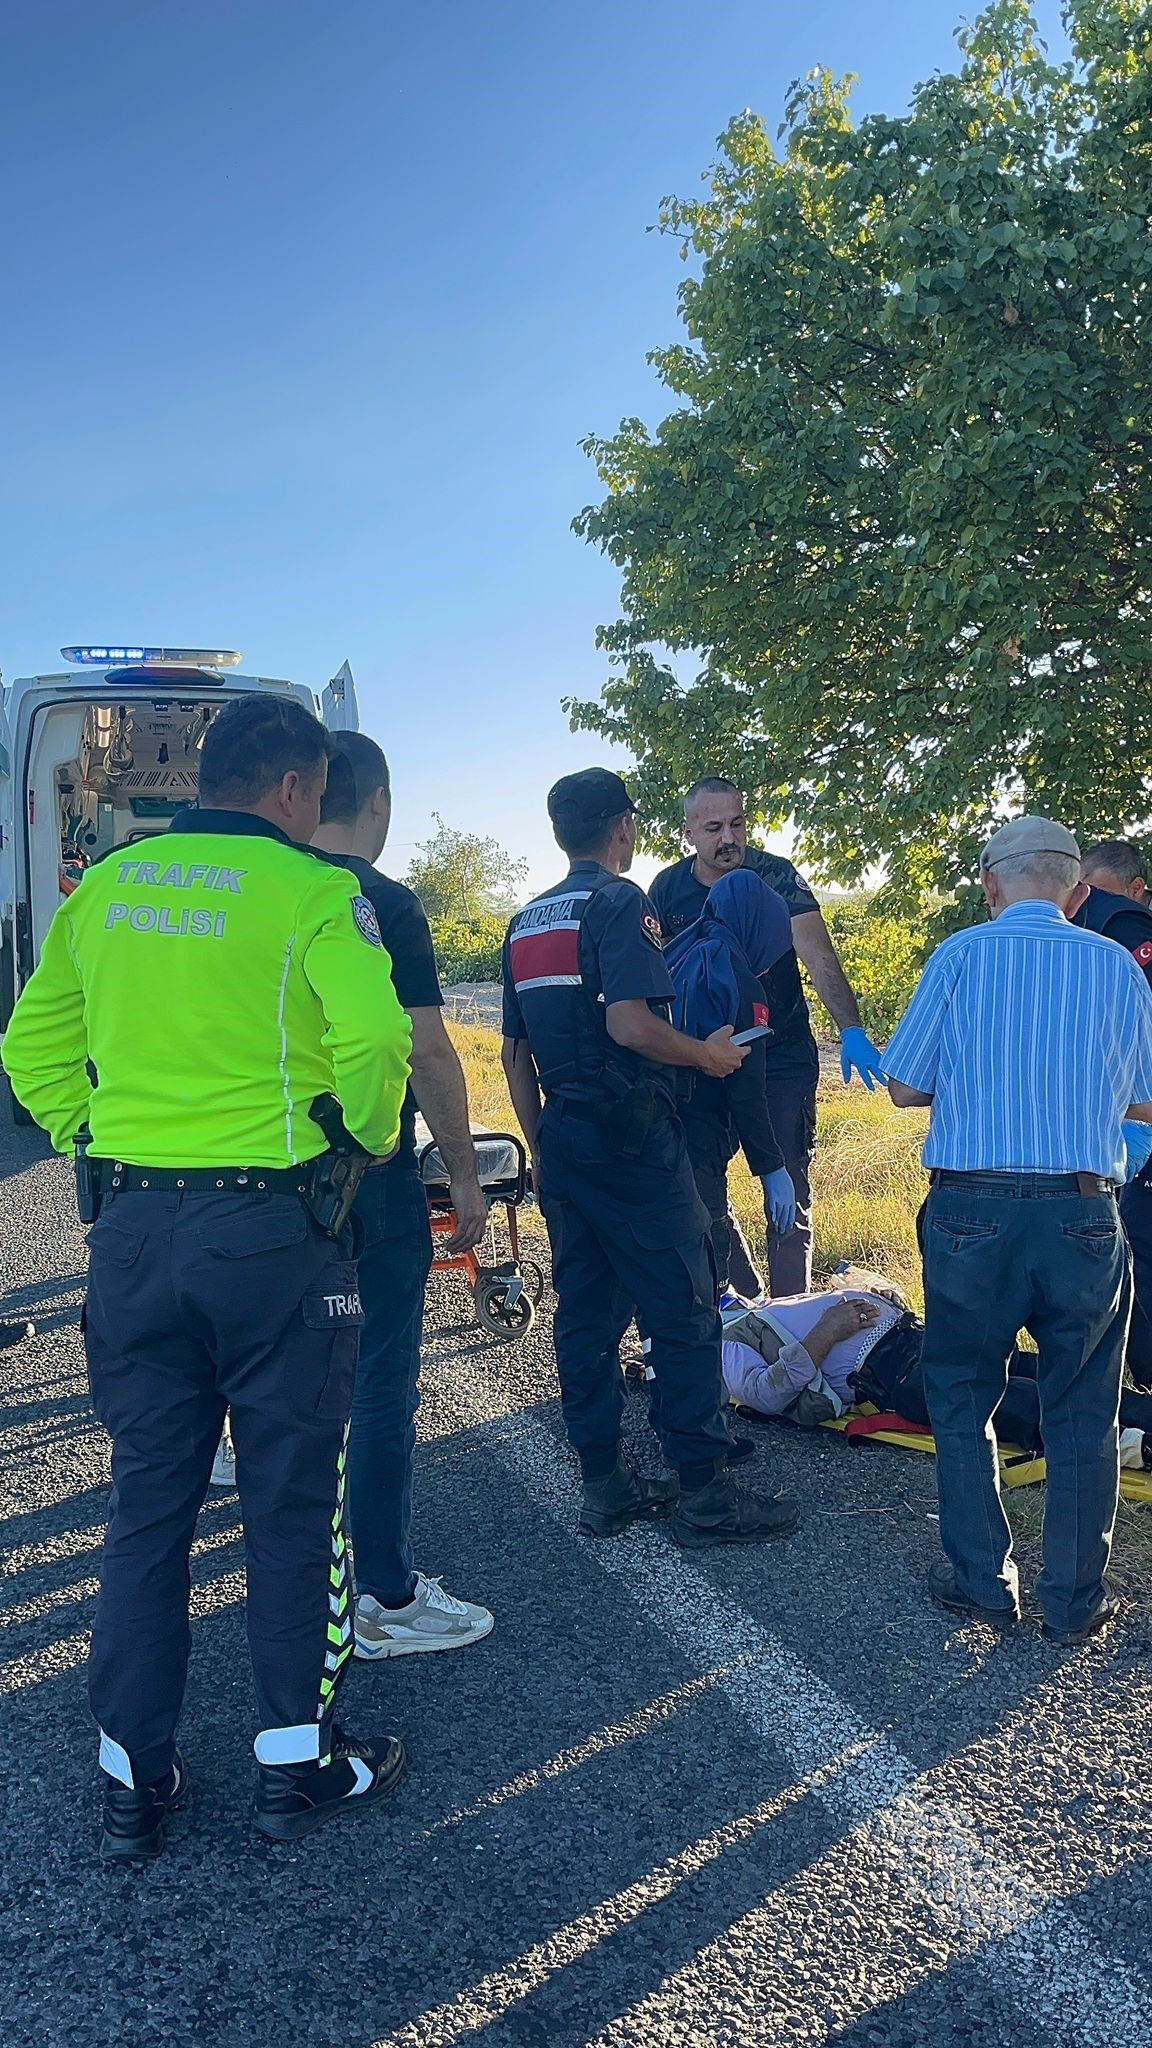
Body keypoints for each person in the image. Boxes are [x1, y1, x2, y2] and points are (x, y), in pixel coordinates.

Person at [1, 697, 414, 1860]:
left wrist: (92, 1138)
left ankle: (134, 1775)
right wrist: (365, 1136)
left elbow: (28, 1046)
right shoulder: (315, 893)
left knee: (149, 1503)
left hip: (133, 1231)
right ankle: (298, 1761)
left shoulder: (107, 893)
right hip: (273, 1236)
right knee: (287, 1502)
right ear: (294, 788)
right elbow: (379, 1043)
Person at [500, 766, 800, 1549]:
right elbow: (632, 1025)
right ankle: (705, 1495)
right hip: (633, 1139)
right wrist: (704, 1056)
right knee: (684, 1308)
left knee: (586, 1316)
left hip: (563, 1138)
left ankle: (605, 1486)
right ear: (625, 828)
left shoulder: (528, 920)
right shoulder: (620, 902)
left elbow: (514, 1055)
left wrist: (542, 1145)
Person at [883, 815, 1152, 1646]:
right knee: (1083, 1405)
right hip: (1082, 1210)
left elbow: (903, 1085)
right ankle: (1073, 1600)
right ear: (1077, 891)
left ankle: (983, 1583)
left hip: (971, 1209)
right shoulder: (1117, 966)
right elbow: (1143, 1098)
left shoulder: (961, 954)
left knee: (961, 1394)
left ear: (990, 884)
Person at [313, 732, 494, 1659]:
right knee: (382, 1380)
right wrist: (462, 1171)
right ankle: (382, 1591)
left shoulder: (268, 892)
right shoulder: (378, 900)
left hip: (249, 1183)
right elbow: (423, 1049)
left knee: (285, 1378)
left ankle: (301, 1580)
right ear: (377, 803)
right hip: (370, 1179)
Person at [649, 777, 885, 1296]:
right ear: (688, 831)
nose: (728, 838)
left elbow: (819, 957)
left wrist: (851, 1030)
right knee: (702, 1185)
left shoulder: (775, 876)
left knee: (785, 1185)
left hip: (778, 1054)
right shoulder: (667, 890)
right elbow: (657, 975)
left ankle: (792, 1323)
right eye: (713, 828)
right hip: (702, 1059)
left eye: (736, 823)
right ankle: (748, 1306)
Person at [723, 1283, 1152, 1469]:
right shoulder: (722, 1346)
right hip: (899, 1373)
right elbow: (767, 1395)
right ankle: (1138, 1447)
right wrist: (828, 1330)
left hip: (920, 1341)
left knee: (1049, 1372)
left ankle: (1143, 1412)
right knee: (1021, 1399)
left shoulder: (746, 1310)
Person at [663, 868, 797, 1284]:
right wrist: (773, 1169)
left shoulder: (678, 954)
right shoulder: (737, 979)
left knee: (663, 1275)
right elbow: (746, 1093)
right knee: (704, 1278)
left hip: (653, 1134)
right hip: (699, 1138)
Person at [1072, 840, 1152, 1389]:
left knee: (1135, 1254)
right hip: (1124, 1110)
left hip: (1133, 1111)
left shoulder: (1126, 928)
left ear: (1135, 889)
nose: (1084, 905)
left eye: (1095, 894)